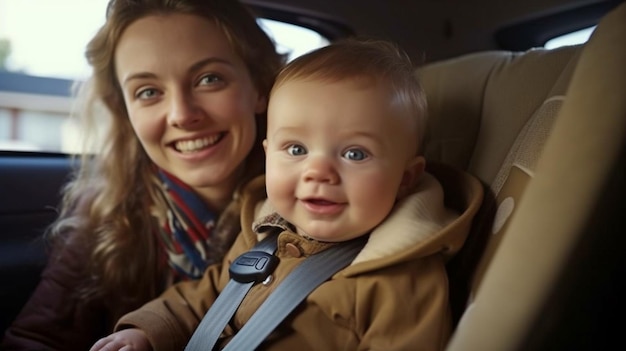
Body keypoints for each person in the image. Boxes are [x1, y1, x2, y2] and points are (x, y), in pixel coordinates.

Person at [90, 38, 483, 351]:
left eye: (354, 153)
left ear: (405, 178)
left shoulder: (403, 281)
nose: (318, 171)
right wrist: (147, 331)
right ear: (268, 157)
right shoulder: (264, 235)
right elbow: (206, 295)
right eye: (296, 150)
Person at [1, 0, 284, 350]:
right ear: (125, 111)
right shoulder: (104, 214)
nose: (181, 114)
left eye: (209, 79)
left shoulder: (316, 208)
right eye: (148, 92)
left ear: (258, 87)